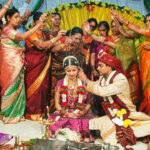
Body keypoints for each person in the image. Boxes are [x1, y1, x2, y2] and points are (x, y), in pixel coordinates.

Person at [78, 52, 150, 149]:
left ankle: (142, 135)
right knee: (93, 124)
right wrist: (83, 79)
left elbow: (103, 91)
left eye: (100, 66)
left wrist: (85, 80)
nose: (98, 68)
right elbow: (95, 85)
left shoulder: (120, 79)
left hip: (127, 114)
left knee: (116, 132)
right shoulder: (103, 78)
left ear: (109, 66)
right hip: (112, 114)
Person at [0, 8, 46, 124]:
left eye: (18, 17)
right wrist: (38, 25)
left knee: (18, 87)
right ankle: (8, 114)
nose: (17, 19)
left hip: (17, 62)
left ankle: (16, 113)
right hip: (10, 64)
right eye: (15, 17)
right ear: (8, 18)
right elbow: (22, 37)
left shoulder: (12, 29)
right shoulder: (6, 30)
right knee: (10, 86)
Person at [25, 12, 66, 121]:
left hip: (44, 66)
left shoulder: (45, 34)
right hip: (34, 66)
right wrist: (57, 37)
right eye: (41, 21)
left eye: (44, 21)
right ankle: (32, 114)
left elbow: (53, 45)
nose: (43, 24)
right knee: (34, 90)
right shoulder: (31, 34)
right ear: (34, 22)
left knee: (43, 89)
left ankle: (42, 113)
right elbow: (41, 46)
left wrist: (64, 44)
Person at [111, 10, 150, 116]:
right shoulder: (142, 34)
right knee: (147, 93)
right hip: (145, 69)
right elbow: (124, 32)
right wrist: (115, 19)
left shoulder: (144, 32)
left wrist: (124, 20)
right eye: (146, 21)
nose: (148, 23)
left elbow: (139, 28)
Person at [48, 56, 93, 141]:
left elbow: (89, 102)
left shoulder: (84, 83)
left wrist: (83, 112)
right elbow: (57, 103)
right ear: (65, 71)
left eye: (74, 70)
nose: (71, 73)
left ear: (78, 70)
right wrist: (64, 112)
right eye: (68, 71)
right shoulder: (60, 83)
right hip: (64, 112)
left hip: (79, 113)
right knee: (52, 119)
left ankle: (73, 136)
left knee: (83, 122)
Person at [49, 27, 86, 112]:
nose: (77, 41)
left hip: (69, 72)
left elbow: (79, 56)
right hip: (56, 70)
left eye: (79, 39)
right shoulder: (62, 39)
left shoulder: (78, 44)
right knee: (54, 92)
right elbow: (52, 50)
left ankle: (68, 110)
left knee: (68, 91)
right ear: (70, 35)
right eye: (76, 38)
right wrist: (63, 45)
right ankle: (53, 112)